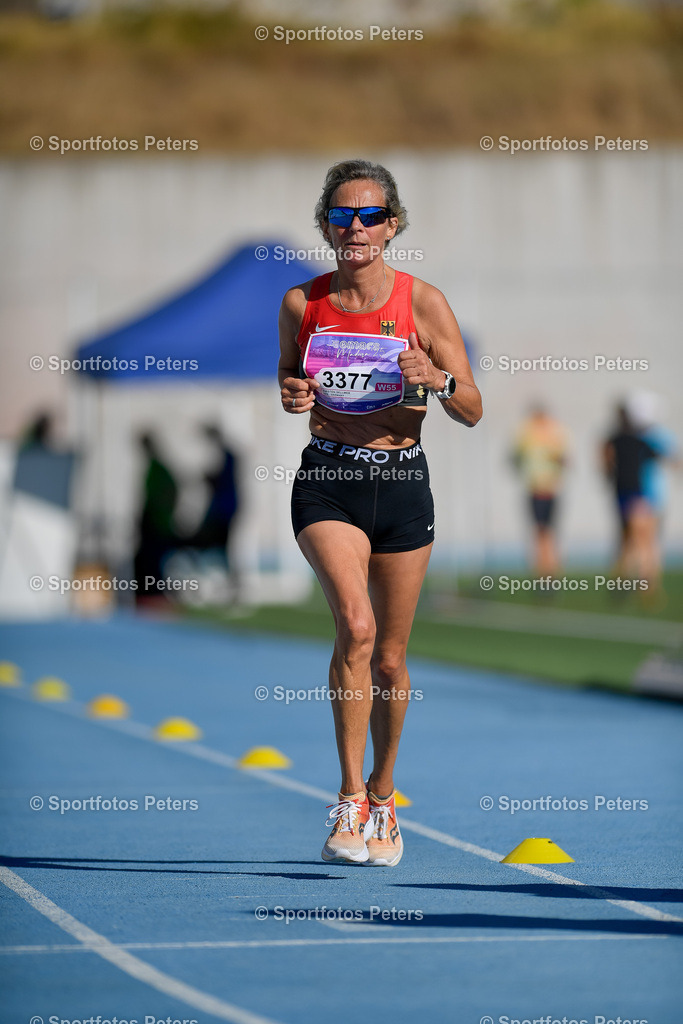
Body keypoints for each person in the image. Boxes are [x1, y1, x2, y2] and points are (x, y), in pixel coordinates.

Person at [278, 159, 482, 866]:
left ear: (392, 225)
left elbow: (472, 408)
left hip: (401, 484)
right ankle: (347, 798)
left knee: (391, 660)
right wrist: (293, 393)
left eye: (369, 216)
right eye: (342, 216)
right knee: (355, 629)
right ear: (325, 225)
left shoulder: (422, 302)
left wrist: (438, 378)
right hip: (328, 480)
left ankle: (383, 796)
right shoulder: (302, 303)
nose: (355, 228)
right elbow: (290, 376)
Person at [602, 394, 678, 593]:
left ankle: (643, 585)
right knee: (635, 541)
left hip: (645, 495)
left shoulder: (649, 438)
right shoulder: (639, 439)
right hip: (640, 494)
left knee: (641, 541)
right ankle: (633, 584)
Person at [511, 404, 569, 576]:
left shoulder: (552, 432)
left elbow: (564, 458)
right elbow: (516, 456)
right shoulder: (528, 433)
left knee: (546, 533)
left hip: (549, 487)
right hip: (537, 488)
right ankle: (545, 570)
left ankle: (549, 569)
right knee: (541, 532)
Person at [133, 432, 179, 603]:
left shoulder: (158, 469)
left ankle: (156, 594)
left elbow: (167, 494)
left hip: (157, 523)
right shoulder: (154, 468)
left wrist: (164, 512)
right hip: (153, 522)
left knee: (155, 561)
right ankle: (150, 593)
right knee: (149, 561)